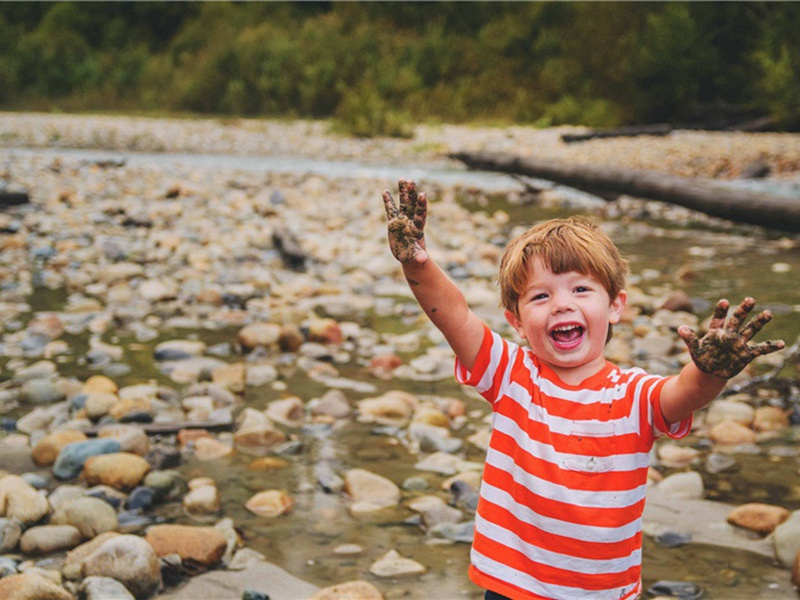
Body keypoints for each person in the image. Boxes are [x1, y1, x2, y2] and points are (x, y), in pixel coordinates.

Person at [381, 179, 785, 600]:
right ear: (516, 321)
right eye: (540, 296)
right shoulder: (511, 375)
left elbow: (681, 395)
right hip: (512, 585)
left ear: (615, 306)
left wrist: (710, 373)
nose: (561, 304)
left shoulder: (632, 394)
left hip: (603, 592)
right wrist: (418, 263)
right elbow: (455, 316)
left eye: (580, 289)